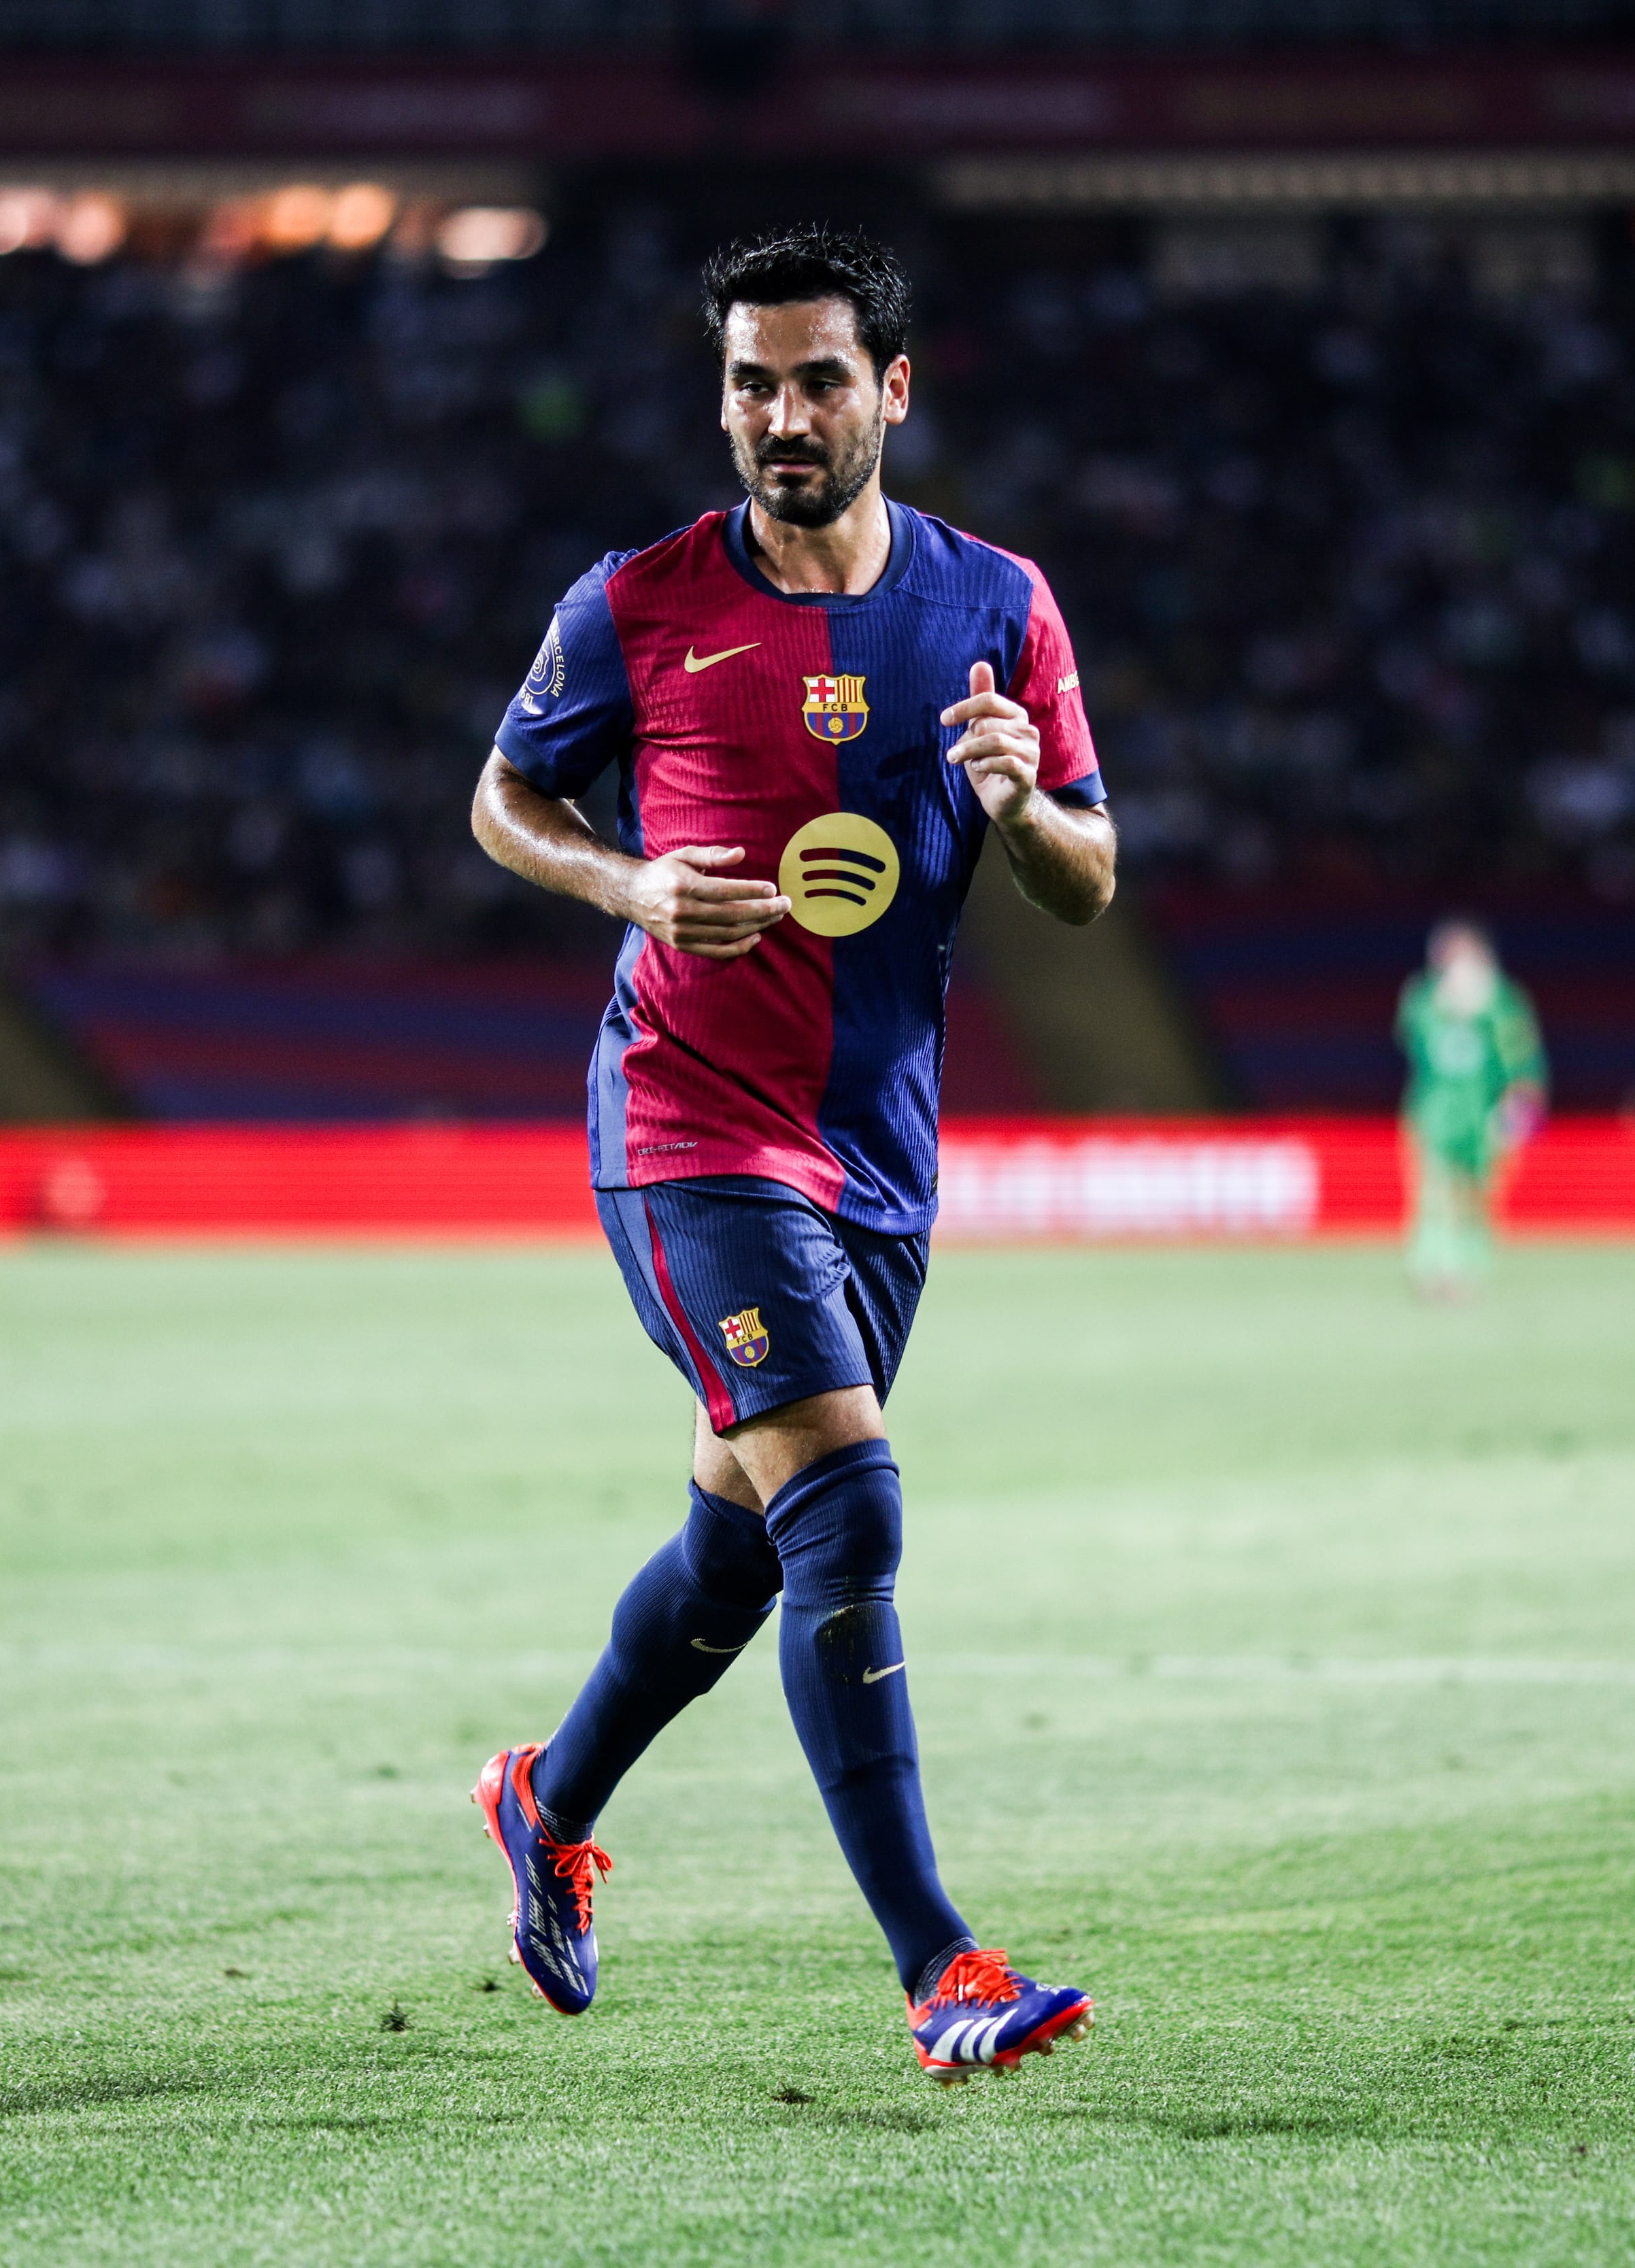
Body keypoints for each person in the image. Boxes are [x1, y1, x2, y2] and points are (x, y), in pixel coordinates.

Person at [463, 224, 1110, 2082]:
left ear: (892, 391)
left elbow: (1090, 873)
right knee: (851, 1494)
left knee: (739, 1555)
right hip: (683, 1124)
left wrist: (1018, 803)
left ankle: (546, 1791)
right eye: (753, 380)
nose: (783, 414)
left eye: (821, 377)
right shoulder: (638, 603)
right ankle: (939, 1962)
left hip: (875, 1158)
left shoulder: (1000, 607)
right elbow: (503, 793)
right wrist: (630, 878)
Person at [1398, 919, 1545, 1298]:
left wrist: (1520, 1113)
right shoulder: (1425, 998)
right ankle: (1435, 1267)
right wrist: (1449, 1008)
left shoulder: (1503, 1002)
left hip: (1484, 1114)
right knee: (1436, 1193)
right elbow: (1412, 1037)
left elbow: (1523, 1062)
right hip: (1435, 1113)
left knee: (1477, 1193)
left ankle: (1470, 1265)